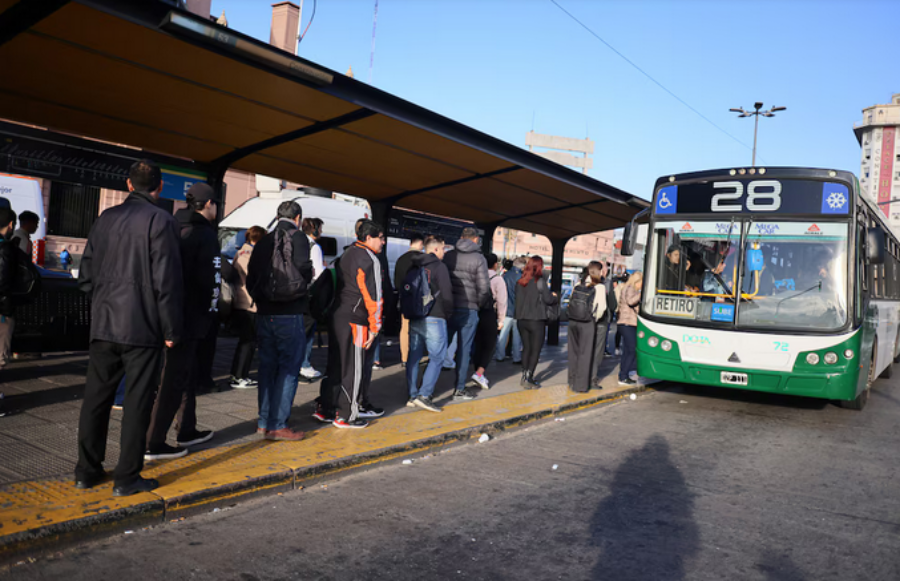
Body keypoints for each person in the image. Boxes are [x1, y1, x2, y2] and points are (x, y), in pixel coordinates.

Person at [75, 160, 183, 496]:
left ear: (129, 184)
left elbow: (86, 274)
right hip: (143, 327)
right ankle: (126, 478)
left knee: (95, 399)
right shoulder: (161, 220)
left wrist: (102, 301)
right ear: (160, 186)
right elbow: (167, 281)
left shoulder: (106, 218)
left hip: (104, 323)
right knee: (137, 403)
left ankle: (86, 471)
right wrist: (171, 330)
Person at [145, 183, 221, 460]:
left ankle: (186, 428)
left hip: (163, 311)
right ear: (208, 204)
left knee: (182, 375)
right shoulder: (205, 234)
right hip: (190, 317)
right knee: (173, 379)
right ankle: (154, 441)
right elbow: (211, 280)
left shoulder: (171, 226)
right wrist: (211, 312)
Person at [246, 201, 313, 441]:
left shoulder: (264, 240)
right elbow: (304, 269)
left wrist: (261, 300)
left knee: (266, 368)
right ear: (297, 218)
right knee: (289, 368)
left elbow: (251, 275)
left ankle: (263, 422)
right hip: (290, 312)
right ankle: (278, 425)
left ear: (277, 217)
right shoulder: (299, 237)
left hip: (265, 313)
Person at [330, 220, 385, 429]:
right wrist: (375, 327)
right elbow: (374, 298)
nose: (383, 242)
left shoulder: (347, 253)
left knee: (338, 365)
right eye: (380, 238)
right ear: (369, 238)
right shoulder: (370, 259)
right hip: (357, 319)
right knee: (354, 368)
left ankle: (331, 407)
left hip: (339, 313)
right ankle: (347, 415)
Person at [406, 236, 453, 412]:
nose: (444, 252)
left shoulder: (414, 265)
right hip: (435, 316)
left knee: (414, 357)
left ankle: (412, 395)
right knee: (437, 357)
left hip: (415, 316)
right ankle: (424, 395)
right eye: (443, 249)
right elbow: (447, 294)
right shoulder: (439, 267)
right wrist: (447, 314)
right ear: (436, 249)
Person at [443, 227, 490, 400]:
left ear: (461, 238)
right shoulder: (479, 258)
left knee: (440, 348)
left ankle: (426, 389)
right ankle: (459, 388)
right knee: (464, 349)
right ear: (476, 239)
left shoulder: (449, 255)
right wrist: (478, 304)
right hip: (469, 308)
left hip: (449, 307)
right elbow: (484, 288)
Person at [230, 226, 266, 389]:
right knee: (248, 341)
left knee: (248, 340)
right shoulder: (247, 254)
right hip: (247, 302)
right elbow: (252, 275)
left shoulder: (243, 252)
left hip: (245, 301)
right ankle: (239, 376)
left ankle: (239, 375)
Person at [514, 256, 558, 389]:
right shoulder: (540, 281)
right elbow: (548, 299)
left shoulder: (520, 282)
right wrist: (555, 297)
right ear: (539, 267)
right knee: (535, 350)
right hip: (536, 320)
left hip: (521, 320)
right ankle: (529, 377)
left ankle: (524, 375)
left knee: (526, 348)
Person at [568, 262, 608, 393]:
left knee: (573, 353)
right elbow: (601, 308)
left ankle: (572, 381)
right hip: (587, 322)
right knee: (585, 354)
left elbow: (571, 301)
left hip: (573, 321)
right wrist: (593, 319)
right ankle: (580, 385)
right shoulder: (599, 287)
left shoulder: (578, 284)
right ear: (598, 272)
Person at [471, 253, 505, 389]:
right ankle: (479, 373)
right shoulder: (498, 279)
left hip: (475, 311)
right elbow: (502, 301)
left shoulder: (476, 277)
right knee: (490, 345)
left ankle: (478, 372)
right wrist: (501, 320)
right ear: (495, 264)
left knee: (478, 344)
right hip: (489, 313)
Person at [300, 217, 325, 380]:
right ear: (314, 229)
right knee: (308, 332)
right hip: (309, 294)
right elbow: (319, 274)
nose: (321, 232)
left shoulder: (297, 243)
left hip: (295, 293)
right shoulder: (313, 247)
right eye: (320, 229)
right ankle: (304, 364)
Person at [394, 233, 425, 368]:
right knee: (419, 329)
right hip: (419, 300)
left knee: (405, 328)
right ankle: (416, 355)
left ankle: (404, 357)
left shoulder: (400, 259)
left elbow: (396, 282)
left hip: (405, 299)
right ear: (421, 243)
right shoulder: (422, 259)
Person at [0, 208, 20, 418]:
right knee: (0, 356)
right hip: (1, 311)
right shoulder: (5, 249)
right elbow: (3, 281)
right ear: (11, 225)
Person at [496, 256, 526, 363]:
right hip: (517, 311)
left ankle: (500, 356)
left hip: (506, 309)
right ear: (522, 266)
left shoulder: (505, 275)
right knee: (517, 335)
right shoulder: (522, 277)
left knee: (503, 334)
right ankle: (517, 357)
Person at [617, 272, 643, 386]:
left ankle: (623, 375)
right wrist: (641, 295)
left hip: (627, 323)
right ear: (637, 281)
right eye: (641, 282)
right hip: (627, 323)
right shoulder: (630, 289)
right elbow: (631, 301)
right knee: (632, 350)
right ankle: (623, 376)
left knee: (627, 351)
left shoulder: (628, 288)